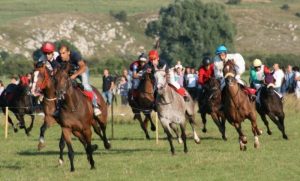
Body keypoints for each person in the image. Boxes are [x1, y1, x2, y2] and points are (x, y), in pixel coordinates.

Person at [54, 44, 101, 117]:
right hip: (69, 73)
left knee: (86, 86)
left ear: (68, 52)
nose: (61, 55)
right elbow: (58, 71)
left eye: (63, 53)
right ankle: (58, 109)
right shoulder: (58, 59)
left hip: (81, 71)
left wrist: (74, 75)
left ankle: (95, 106)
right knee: (61, 88)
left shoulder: (75, 55)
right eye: (60, 53)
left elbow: (83, 67)